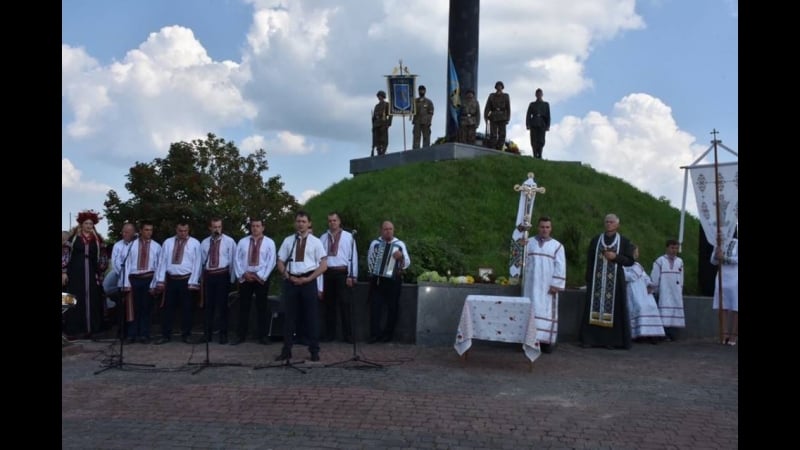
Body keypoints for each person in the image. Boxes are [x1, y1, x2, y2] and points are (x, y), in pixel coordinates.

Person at [275, 211, 328, 361]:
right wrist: (288, 276)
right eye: (298, 221)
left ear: (309, 223)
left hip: (308, 281)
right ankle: (286, 350)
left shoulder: (316, 242)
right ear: (295, 223)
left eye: (304, 221)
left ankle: (314, 351)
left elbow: (324, 265)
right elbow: (280, 261)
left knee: (311, 317)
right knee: (289, 317)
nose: (300, 224)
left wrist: (308, 279)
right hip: (291, 281)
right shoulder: (288, 241)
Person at [578, 213, 635, 349]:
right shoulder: (596, 239)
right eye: (607, 222)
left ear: (617, 225)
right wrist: (589, 279)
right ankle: (590, 339)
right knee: (592, 310)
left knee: (614, 311)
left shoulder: (625, 241)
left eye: (612, 222)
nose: (609, 224)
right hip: (596, 283)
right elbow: (590, 259)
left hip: (615, 284)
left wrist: (615, 257)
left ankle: (611, 341)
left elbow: (630, 261)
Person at [521, 216, 566, 353]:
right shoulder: (529, 242)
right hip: (531, 284)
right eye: (542, 227)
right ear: (537, 227)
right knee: (530, 310)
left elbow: (561, 266)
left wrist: (556, 284)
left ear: (551, 228)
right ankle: (529, 340)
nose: (544, 230)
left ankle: (546, 342)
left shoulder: (557, 246)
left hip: (547, 286)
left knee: (546, 312)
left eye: (547, 227)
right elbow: (521, 261)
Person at [62, 210, 109, 339]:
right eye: (86, 223)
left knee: (92, 299)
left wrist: (101, 271)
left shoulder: (98, 240)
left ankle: (92, 329)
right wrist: (64, 271)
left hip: (91, 273)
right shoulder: (73, 239)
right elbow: (65, 255)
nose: (89, 226)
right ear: (81, 224)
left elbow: (103, 257)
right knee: (73, 299)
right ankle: (73, 329)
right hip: (75, 273)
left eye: (91, 223)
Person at [154, 220, 202, 344]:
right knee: (167, 308)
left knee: (187, 309)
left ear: (188, 230)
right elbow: (162, 261)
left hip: (186, 280)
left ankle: (186, 334)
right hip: (171, 280)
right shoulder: (168, 242)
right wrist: (160, 280)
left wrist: (193, 281)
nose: (183, 233)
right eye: (180, 230)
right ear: (176, 230)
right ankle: (166, 335)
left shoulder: (195, 243)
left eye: (185, 231)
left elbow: (197, 264)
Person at [231, 218, 276, 345]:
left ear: (263, 227)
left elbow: (271, 261)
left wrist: (261, 276)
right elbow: (236, 259)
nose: (255, 228)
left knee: (262, 307)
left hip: (261, 278)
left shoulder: (269, 242)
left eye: (258, 226)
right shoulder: (243, 242)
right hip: (246, 277)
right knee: (243, 307)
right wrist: (243, 274)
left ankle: (263, 336)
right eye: (253, 226)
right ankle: (241, 335)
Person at [367, 221, 411, 343]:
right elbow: (369, 258)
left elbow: (407, 262)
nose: (388, 231)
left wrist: (401, 256)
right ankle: (374, 334)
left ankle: (388, 335)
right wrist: (373, 270)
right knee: (375, 307)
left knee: (393, 308)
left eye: (390, 229)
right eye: (386, 229)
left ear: (393, 230)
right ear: (381, 230)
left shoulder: (399, 244)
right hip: (378, 280)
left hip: (393, 281)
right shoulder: (375, 244)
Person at [319, 212, 359, 343]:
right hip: (327, 273)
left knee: (345, 304)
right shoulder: (323, 238)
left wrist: (352, 275)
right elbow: (319, 259)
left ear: (339, 221)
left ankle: (348, 335)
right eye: (330, 221)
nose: (332, 223)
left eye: (334, 220)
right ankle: (329, 334)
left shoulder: (348, 237)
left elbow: (353, 256)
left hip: (342, 273)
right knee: (328, 305)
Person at [122, 220, 162, 344]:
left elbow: (158, 266)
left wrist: (154, 283)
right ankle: (132, 334)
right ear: (140, 231)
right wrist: (126, 283)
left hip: (148, 278)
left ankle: (144, 334)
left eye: (150, 230)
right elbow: (127, 264)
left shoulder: (156, 246)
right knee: (133, 308)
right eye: (146, 229)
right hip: (134, 279)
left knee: (146, 308)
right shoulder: (132, 245)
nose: (149, 232)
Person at [200, 217, 237, 344]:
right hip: (209, 276)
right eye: (214, 227)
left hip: (222, 275)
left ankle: (223, 334)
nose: (217, 229)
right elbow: (202, 262)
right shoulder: (205, 243)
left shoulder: (229, 241)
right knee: (208, 307)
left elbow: (233, 260)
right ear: (210, 228)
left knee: (223, 307)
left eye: (219, 227)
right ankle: (207, 334)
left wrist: (232, 278)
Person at [623, 245, 666, 343]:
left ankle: (653, 334)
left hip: (643, 290)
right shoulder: (623, 266)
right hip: (633, 291)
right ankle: (638, 334)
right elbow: (628, 277)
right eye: (636, 252)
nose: (637, 254)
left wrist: (649, 284)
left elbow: (645, 276)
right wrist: (634, 274)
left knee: (651, 306)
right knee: (639, 306)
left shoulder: (637, 265)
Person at [649, 239, 685, 341]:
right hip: (664, 290)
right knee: (664, 310)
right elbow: (655, 276)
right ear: (667, 248)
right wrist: (654, 288)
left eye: (676, 248)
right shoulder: (660, 261)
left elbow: (681, 277)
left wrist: (680, 288)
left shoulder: (679, 261)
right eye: (672, 248)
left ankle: (672, 334)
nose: (674, 250)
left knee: (674, 311)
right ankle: (663, 333)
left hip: (675, 290)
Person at [104, 222, 137, 326]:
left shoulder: (137, 244)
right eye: (123, 232)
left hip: (136, 277)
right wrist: (124, 275)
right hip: (122, 278)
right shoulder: (118, 245)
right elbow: (115, 262)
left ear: (133, 232)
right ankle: (122, 330)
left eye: (127, 232)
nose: (124, 234)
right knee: (122, 306)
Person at [711, 233, 738, 346]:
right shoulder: (718, 244)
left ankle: (734, 336)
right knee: (722, 306)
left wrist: (725, 258)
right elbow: (713, 261)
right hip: (722, 277)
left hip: (735, 277)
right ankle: (724, 333)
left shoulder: (737, 242)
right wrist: (716, 255)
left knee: (736, 306)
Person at [484, 81, 510, 151]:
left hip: (502, 116)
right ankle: (493, 147)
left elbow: (508, 108)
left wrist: (508, 118)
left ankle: (499, 147)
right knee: (493, 134)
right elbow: (487, 107)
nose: (499, 87)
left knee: (502, 134)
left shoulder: (506, 96)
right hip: (494, 116)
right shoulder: (491, 96)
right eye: (498, 86)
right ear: (496, 87)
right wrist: (486, 116)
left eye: (500, 86)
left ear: (502, 87)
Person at [525, 88, 551, 159]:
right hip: (533, 123)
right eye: (537, 94)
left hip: (542, 123)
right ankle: (534, 154)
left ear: (542, 95)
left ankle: (540, 154)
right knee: (533, 140)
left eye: (540, 94)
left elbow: (548, 115)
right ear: (535, 95)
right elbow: (528, 115)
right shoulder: (532, 104)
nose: (539, 95)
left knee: (541, 140)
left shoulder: (546, 104)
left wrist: (548, 125)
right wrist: (527, 124)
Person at [411, 85, 434, 149]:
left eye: (423, 90)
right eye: (420, 90)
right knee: (416, 137)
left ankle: (426, 151)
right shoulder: (415, 101)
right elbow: (411, 110)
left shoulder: (429, 102)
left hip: (425, 122)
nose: (421, 91)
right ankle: (415, 151)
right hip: (417, 121)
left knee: (426, 137)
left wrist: (429, 121)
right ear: (418, 91)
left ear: (425, 91)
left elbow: (431, 113)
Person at [372, 90, 392, 156]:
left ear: (383, 96)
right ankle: (378, 151)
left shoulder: (386, 104)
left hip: (383, 124)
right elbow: (374, 117)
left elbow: (390, 114)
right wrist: (373, 125)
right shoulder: (376, 106)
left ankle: (383, 151)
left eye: (380, 96)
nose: (379, 97)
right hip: (376, 124)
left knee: (384, 139)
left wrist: (389, 123)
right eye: (378, 96)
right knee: (377, 139)